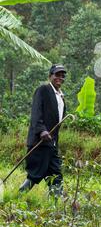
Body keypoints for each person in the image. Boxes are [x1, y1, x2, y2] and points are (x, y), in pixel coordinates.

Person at [19, 64, 67, 197]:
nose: (60, 78)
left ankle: (56, 207)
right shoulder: (43, 90)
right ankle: (17, 198)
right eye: (57, 75)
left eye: (63, 76)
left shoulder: (60, 96)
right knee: (35, 174)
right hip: (39, 142)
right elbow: (36, 112)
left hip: (52, 144)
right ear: (50, 76)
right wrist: (41, 131)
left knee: (55, 175)